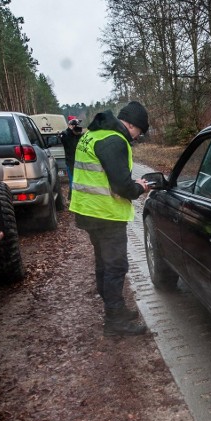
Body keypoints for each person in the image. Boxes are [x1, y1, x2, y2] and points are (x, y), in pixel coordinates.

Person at [69, 102, 151, 336]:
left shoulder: (93, 134)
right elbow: (122, 186)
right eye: (139, 132)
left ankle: (116, 309)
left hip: (87, 210)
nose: (137, 137)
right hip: (105, 214)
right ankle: (115, 322)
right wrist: (140, 187)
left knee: (104, 263)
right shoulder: (115, 140)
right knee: (115, 266)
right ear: (131, 125)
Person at [59, 118, 84, 199]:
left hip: (81, 161)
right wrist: (70, 129)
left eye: (78, 126)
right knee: (72, 181)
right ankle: (72, 198)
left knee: (81, 181)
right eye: (75, 126)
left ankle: (79, 198)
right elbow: (62, 138)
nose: (77, 128)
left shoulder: (80, 135)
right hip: (71, 162)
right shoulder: (66, 135)